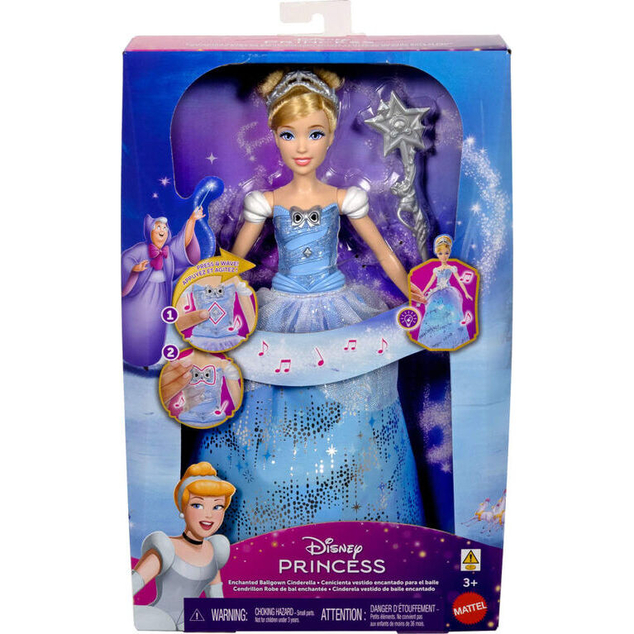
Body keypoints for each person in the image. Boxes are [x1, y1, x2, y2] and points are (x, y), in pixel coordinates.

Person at [186, 70, 425, 541]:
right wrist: (204, 291)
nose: (302, 147)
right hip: (282, 311)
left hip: (339, 308)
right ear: (274, 136)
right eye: (289, 134)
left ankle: (352, 520)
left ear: (331, 136)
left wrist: (413, 292)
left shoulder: (343, 198)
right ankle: (270, 531)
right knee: (266, 410)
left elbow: (382, 252)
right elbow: (234, 263)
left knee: (356, 408)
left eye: (314, 134)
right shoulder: (266, 201)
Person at [132, 462, 235, 631]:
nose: (209, 515)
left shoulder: (215, 551)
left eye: (217, 507)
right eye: (197, 505)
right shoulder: (166, 548)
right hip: (158, 619)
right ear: (183, 507)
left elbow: (217, 603)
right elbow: (131, 585)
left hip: (191, 621)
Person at [122, 209, 203, 367]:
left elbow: (183, 242)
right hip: (139, 298)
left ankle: (151, 358)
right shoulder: (141, 249)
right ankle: (133, 357)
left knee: (155, 327)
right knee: (139, 325)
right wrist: (135, 269)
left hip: (159, 297)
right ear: (150, 232)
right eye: (158, 227)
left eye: (165, 228)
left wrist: (192, 220)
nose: (162, 230)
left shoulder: (168, 252)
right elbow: (126, 259)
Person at [412, 234, 473, 350]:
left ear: (449, 253)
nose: (443, 256)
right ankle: (435, 340)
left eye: (446, 253)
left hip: (449, 293)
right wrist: (422, 292)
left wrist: (466, 293)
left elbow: (459, 281)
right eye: (440, 253)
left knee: (452, 313)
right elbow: (430, 282)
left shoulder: (451, 268)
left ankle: (452, 339)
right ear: (437, 253)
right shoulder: (436, 270)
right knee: (433, 314)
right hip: (437, 294)